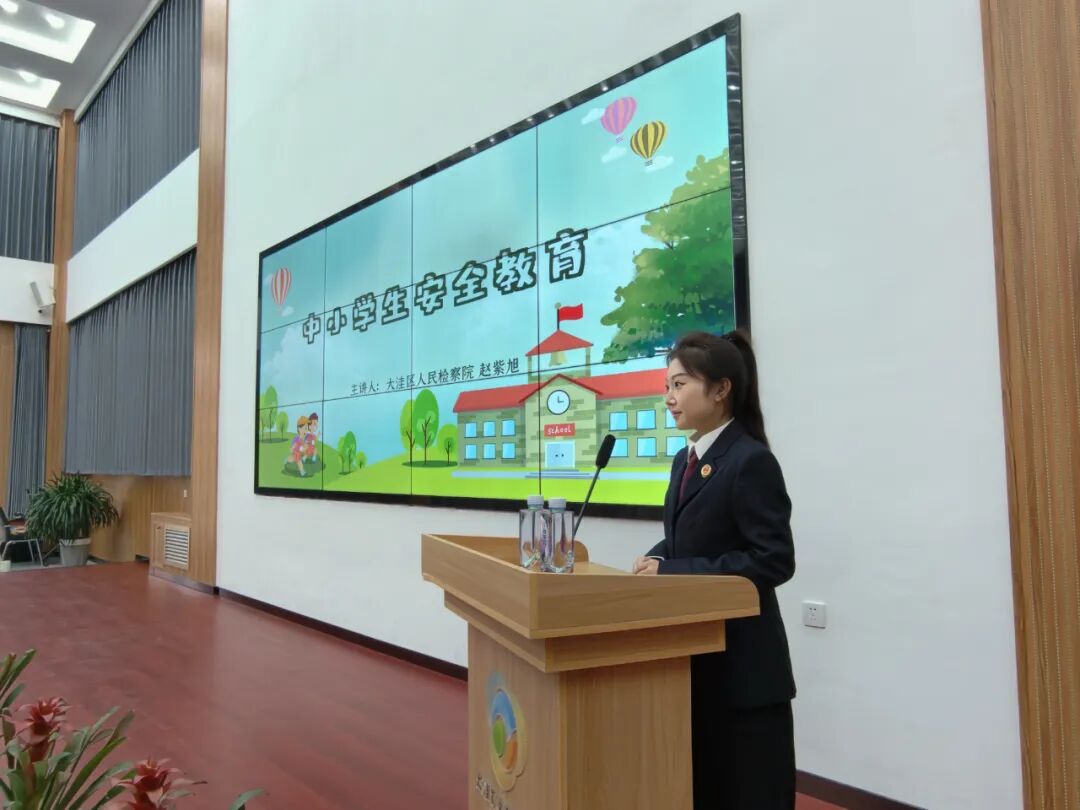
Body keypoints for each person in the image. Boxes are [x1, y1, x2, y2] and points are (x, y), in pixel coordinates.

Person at [631, 329, 796, 810]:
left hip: (744, 670)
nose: (669, 398)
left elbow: (773, 558)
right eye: (667, 386)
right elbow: (688, 536)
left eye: (680, 385)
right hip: (695, 658)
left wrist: (670, 572)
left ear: (721, 389)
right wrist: (658, 556)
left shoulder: (750, 460)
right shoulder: (686, 458)